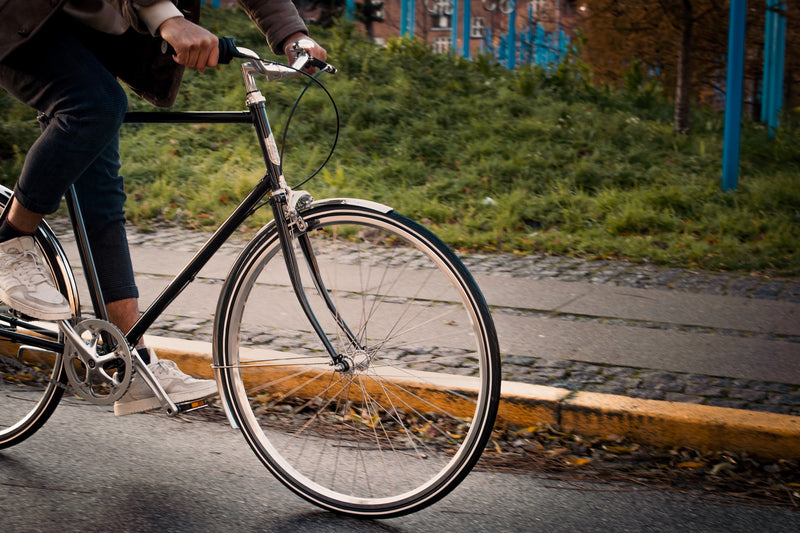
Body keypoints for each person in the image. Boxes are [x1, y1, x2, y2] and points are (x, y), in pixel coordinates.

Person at [0, 0, 327, 415]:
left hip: (88, 29)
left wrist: (291, 34)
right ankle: (12, 239)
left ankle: (128, 361)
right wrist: (166, 17)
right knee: (96, 106)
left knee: (100, 190)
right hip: (24, 15)